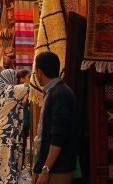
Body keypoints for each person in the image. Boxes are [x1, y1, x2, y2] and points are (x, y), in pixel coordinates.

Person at [33, 52, 77, 184]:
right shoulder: (55, 92)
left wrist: (46, 169)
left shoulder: (60, 94)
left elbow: (58, 137)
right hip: (54, 167)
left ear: (39, 72)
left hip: (58, 169)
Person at [0, 69, 29, 183]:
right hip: (5, 131)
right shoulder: (11, 90)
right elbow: (29, 85)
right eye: (15, 78)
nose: (16, 80)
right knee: (6, 162)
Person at [16, 69, 31, 167]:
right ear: (22, 79)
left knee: (23, 143)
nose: (30, 80)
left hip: (26, 119)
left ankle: (21, 164)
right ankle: (20, 165)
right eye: (29, 77)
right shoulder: (20, 88)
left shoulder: (25, 88)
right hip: (22, 120)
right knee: (21, 143)